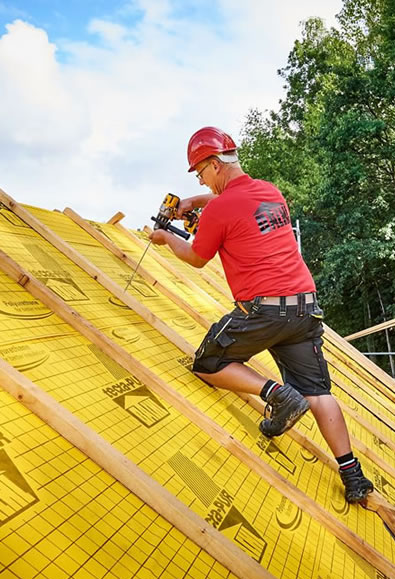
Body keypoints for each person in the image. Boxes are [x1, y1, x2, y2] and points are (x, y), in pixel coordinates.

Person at [149, 126, 374, 503]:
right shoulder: (269, 192)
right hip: (304, 307)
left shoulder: (220, 207)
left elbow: (197, 258)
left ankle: (275, 394)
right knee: (318, 393)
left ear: (214, 164)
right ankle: (354, 477)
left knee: (207, 364)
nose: (201, 179)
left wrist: (167, 237)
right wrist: (196, 202)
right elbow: (236, 201)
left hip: (264, 311)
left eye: (200, 172)